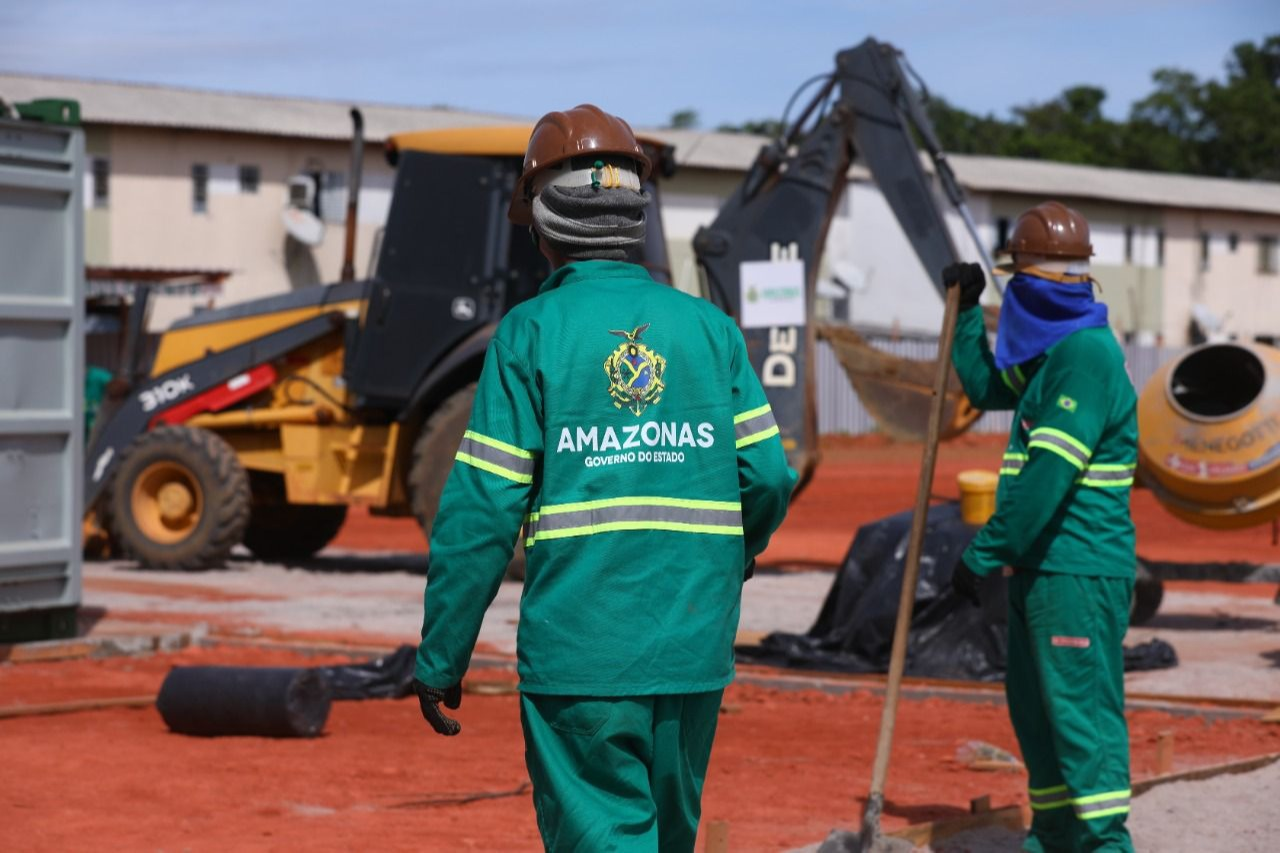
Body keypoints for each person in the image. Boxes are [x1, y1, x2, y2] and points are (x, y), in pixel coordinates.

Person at [412, 104, 796, 852]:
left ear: (542, 220)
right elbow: (769, 475)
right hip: (694, 646)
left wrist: (442, 653)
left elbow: (484, 507)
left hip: (581, 651)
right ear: (634, 214)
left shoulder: (530, 332)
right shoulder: (710, 329)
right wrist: (730, 559)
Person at [942, 201, 1138, 853]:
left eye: (1013, 280)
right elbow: (985, 383)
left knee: (1080, 722)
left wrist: (982, 551)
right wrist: (967, 311)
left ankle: (1104, 843)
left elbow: (1047, 479)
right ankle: (1052, 837)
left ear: (1034, 282)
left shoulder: (1084, 356)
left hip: (1075, 568)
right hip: (1043, 570)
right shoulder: (1054, 355)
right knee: (1038, 718)